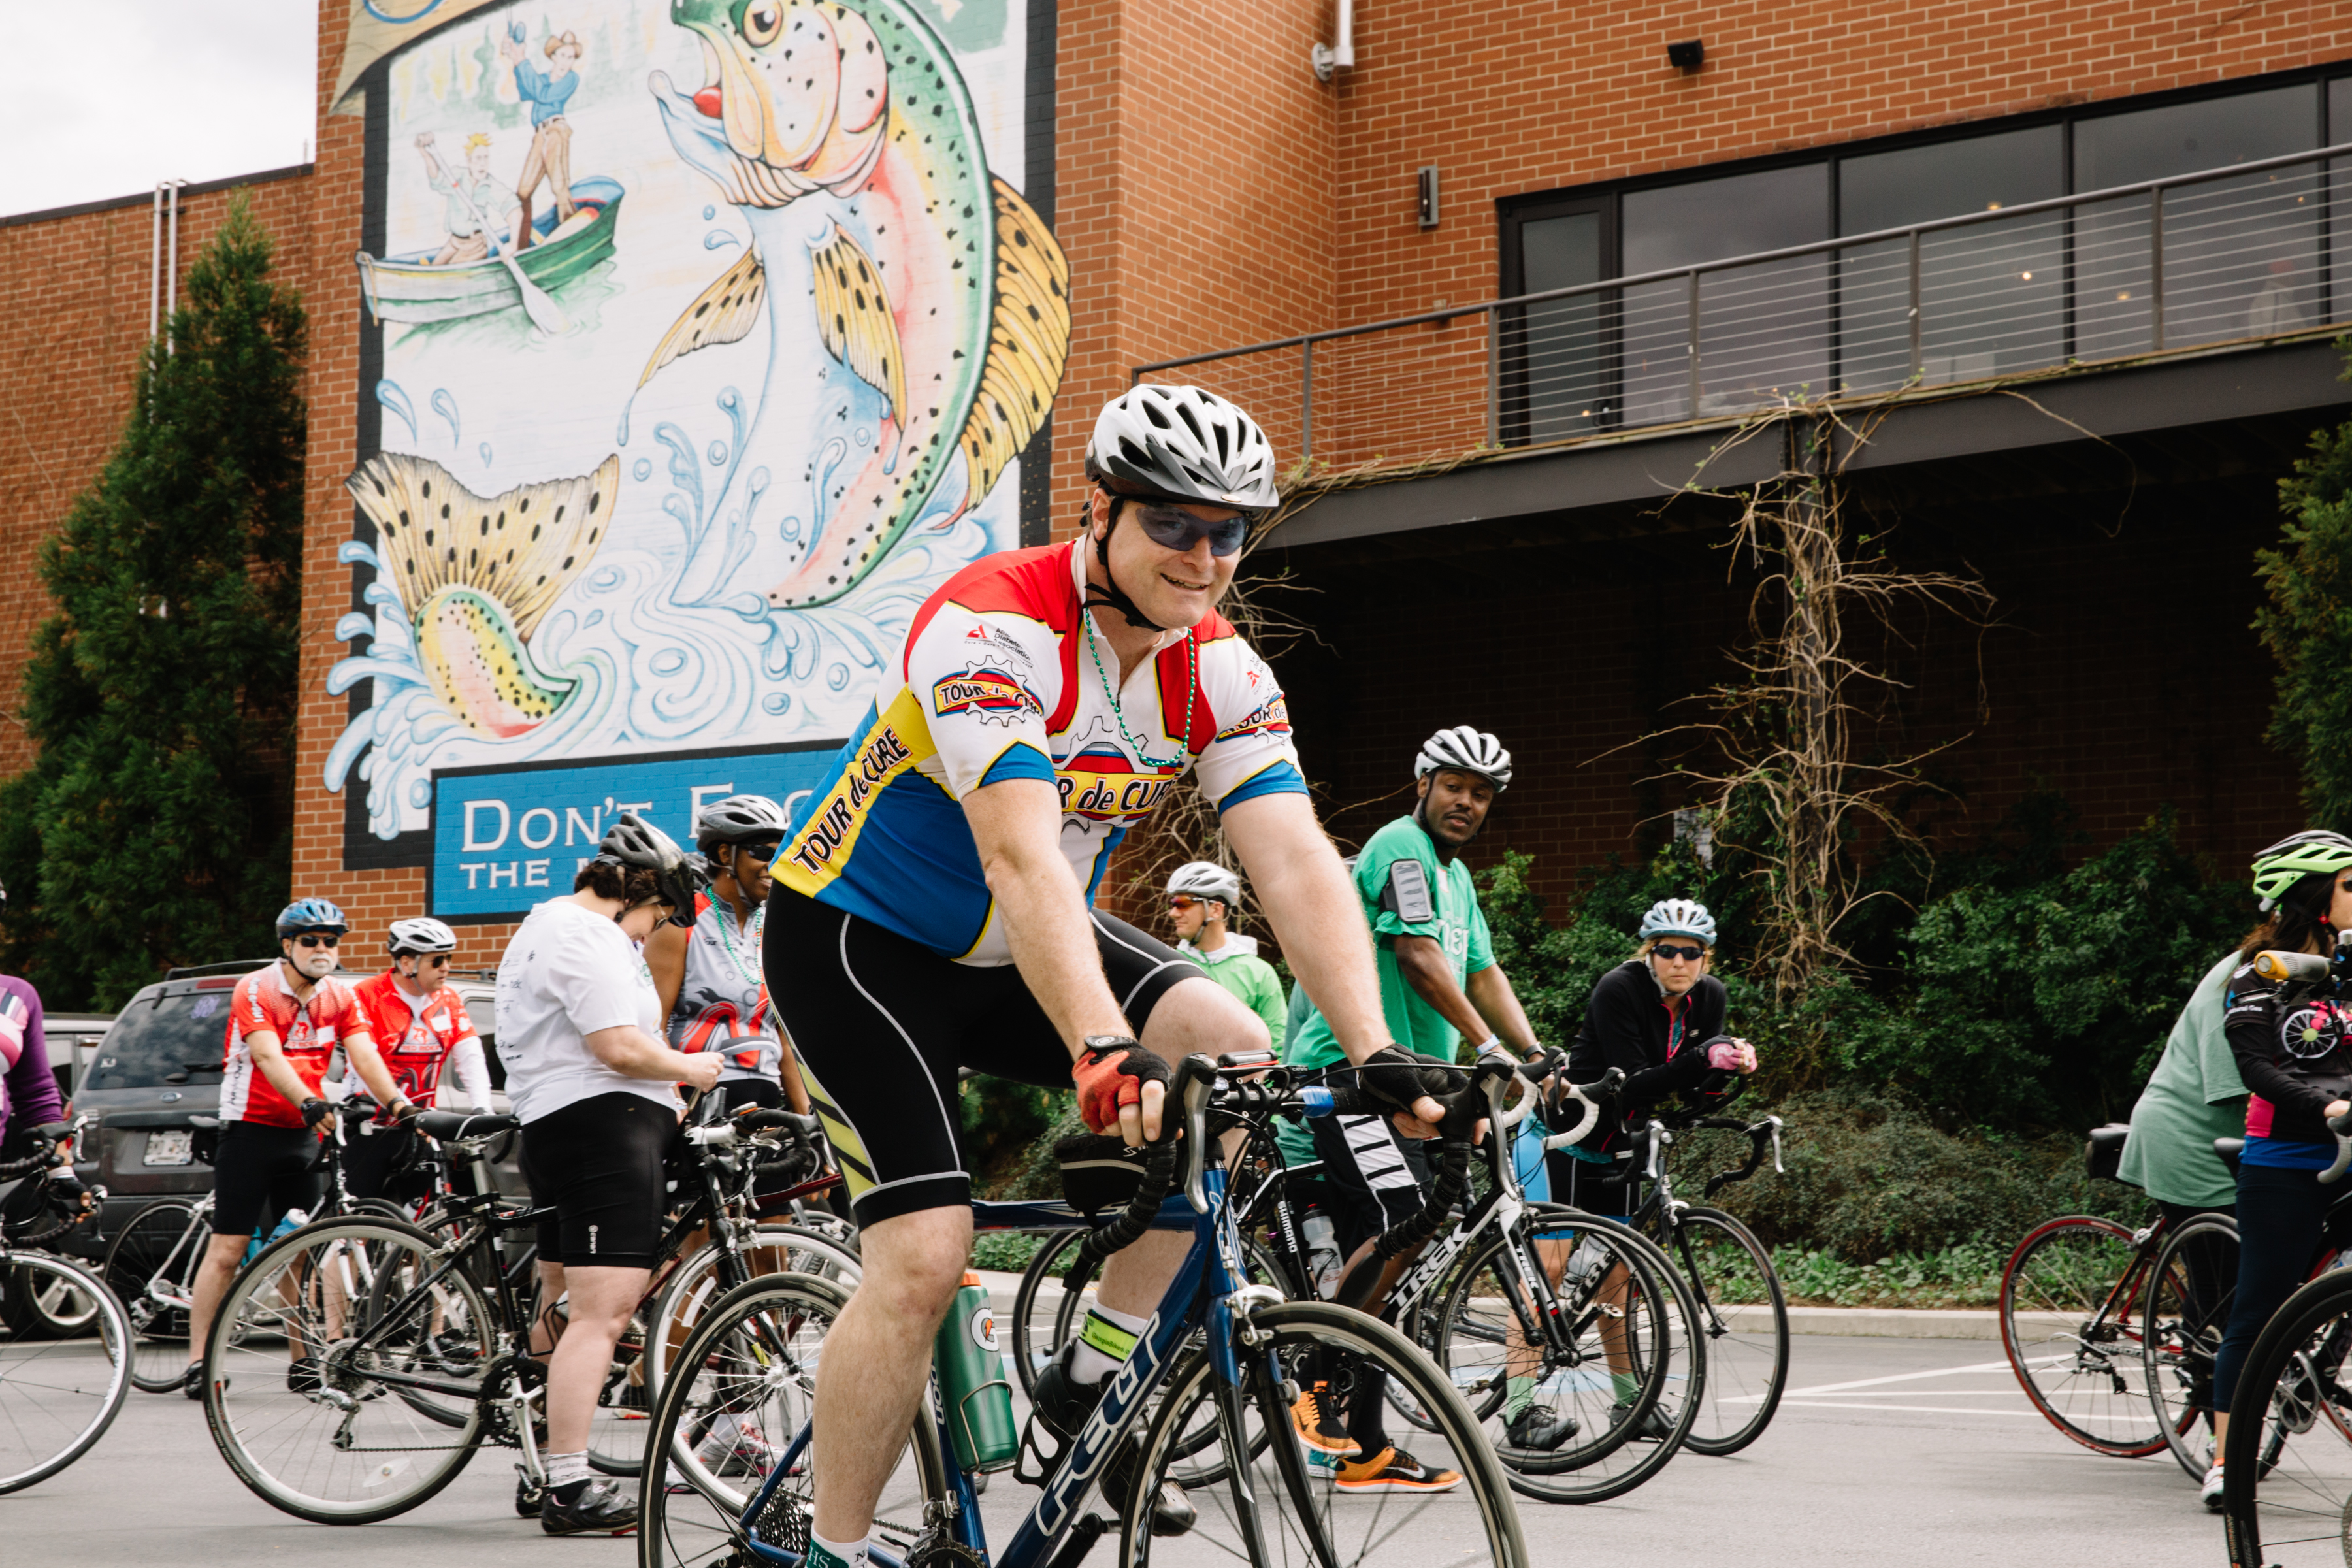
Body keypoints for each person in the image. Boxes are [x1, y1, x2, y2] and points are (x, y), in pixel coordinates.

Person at [765, 384, 1462, 1567]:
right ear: (1101, 509)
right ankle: (830, 1547)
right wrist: (1096, 1042)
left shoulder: (1218, 668)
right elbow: (1020, 854)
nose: (1203, 556)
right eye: (1174, 524)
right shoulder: (989, 624)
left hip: (1018, 946)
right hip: (860, 940)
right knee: (926, 1254)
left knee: (1233, 1055)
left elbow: (1292, 860)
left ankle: (1091, 1378)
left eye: (1229, 531)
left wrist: (1370, 1047)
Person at [1284, 725, 1549, 1480]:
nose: (1466, 802)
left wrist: (1531, 1051)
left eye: (1482, 794)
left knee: (1414, 1252)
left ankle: (1364, 1449)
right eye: (1455, 786)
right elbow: (1418, 954)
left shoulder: (1456, 877)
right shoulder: (1401, 847)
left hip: (1420, 1086)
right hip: (1358, 1077)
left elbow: (1483, 969)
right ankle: (1312, 1367)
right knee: (1401, 1225)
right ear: (1423, 785)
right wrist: (1487, 1048)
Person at [495, 813, 724, 1534]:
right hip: (601, 1129)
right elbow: (619, 1047)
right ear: (637, 891)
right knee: (603, 1314)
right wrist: (692, 1067)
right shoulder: (586, 936)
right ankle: (568, 1487)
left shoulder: (551, 927)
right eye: (658, 915)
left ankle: (539, 1460)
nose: (652, 932)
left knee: (562, 1299)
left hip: (574, 1126)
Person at [182, 899, 412, 1401]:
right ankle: (200, 1360)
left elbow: (365, 1052)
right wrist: (310, 1098)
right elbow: (265, 1053)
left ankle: (302, 1362)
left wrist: (399, 1103)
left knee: (300, 1251)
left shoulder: (340, 995)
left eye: (332, 941)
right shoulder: (258, 988)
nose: (323, 949)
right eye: (311, 940)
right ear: (287, 946)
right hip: (250, 1129)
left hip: (305, 1133)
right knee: (229, 1250)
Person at [1554, 898, 1757, 1439]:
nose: (1679, 962)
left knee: (1615, 1278)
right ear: (1649, 953)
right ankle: (1521, 1408)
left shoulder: (1709, 996)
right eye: (1666, 950)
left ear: (1705, 960)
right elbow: (1635, 1081)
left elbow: (1693, 1089)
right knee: (1551, 1271)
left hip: (1629, 1142)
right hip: (1571, 1134)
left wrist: (1730, 1067)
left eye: (1691, 953)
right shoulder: (1618, 988)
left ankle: (1629, 1406)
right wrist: (1702, 1058)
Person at [2200, 830, 2352, 1511]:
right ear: (2316, 900)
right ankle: (2226, 1458)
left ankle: (2325, 1359)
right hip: (2287, 1156)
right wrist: (2329, 1105)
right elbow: (2258, 1068)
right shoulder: (2259, 972)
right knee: (2259, 1309)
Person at [649, 793, 810, 1115]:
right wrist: (674, 1104)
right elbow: (652, 1025)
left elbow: (785, 1039)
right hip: (696, 1099)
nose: (774, 863)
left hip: (767, 1100)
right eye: (763, 852)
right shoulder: (682, 922)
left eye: (782, 853)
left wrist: (806, 1118)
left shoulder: (775, 928)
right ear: (725, 854)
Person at [343, 917, 495, 1205]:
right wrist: (404, 1108)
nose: (446, 967)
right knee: (350, 1229)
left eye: (449, 958)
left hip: (421, 1129)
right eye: (437, 960)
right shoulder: (366, 995)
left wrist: (482, 1110)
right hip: (369, 1129)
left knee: (425, 1222)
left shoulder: (448, 999)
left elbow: (471, 1055)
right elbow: (365, 1061)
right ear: (407, 963)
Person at [1165, 860, 1287, 1049]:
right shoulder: (1167, 965)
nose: (1173, 913)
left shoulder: (1259, 972)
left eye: (1183, 904)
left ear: (1216, 909)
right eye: (1173, 903)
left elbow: (1277, 1046)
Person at [500, 29, 581, 249]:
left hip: (556, 131)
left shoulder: (571, 79)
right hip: (540, 135)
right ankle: (522, 245)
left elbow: (544, 96)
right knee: (523, 193)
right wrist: (516, 60)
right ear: (553, 57)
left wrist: (522, 58)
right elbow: (527, 92)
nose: (566, 62)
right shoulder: (544, 79)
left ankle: (572, 234)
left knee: (559, 185)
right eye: (562, 56)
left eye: (571, 57)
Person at [414, 131, 502, 266]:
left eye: (486, 158)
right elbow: (437, 180)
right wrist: (424, 151)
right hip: (455, 241)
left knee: (444, 276)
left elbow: (511, 205)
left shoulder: (490, 184)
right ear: (469, 160)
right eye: (478, 158)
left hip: (474, 245)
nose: (483, 163)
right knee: (433, 269)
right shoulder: (457, 175)